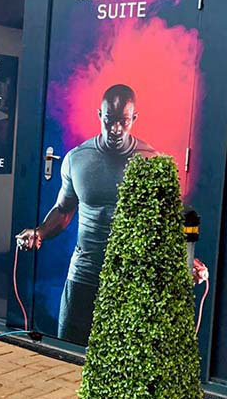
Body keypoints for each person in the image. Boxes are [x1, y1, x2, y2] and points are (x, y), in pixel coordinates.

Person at [18, 84, 155, 346]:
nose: (116, 129)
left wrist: (188, 260)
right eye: (110, 120)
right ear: (100, 115)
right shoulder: (77, 159)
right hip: (84, 273)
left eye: (124, 121)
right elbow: (63, 210)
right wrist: (40, 232)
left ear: (134, 118)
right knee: (67, 353)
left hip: (129, 279)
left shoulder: (151, 160)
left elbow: (162, 222)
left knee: (120, 357)